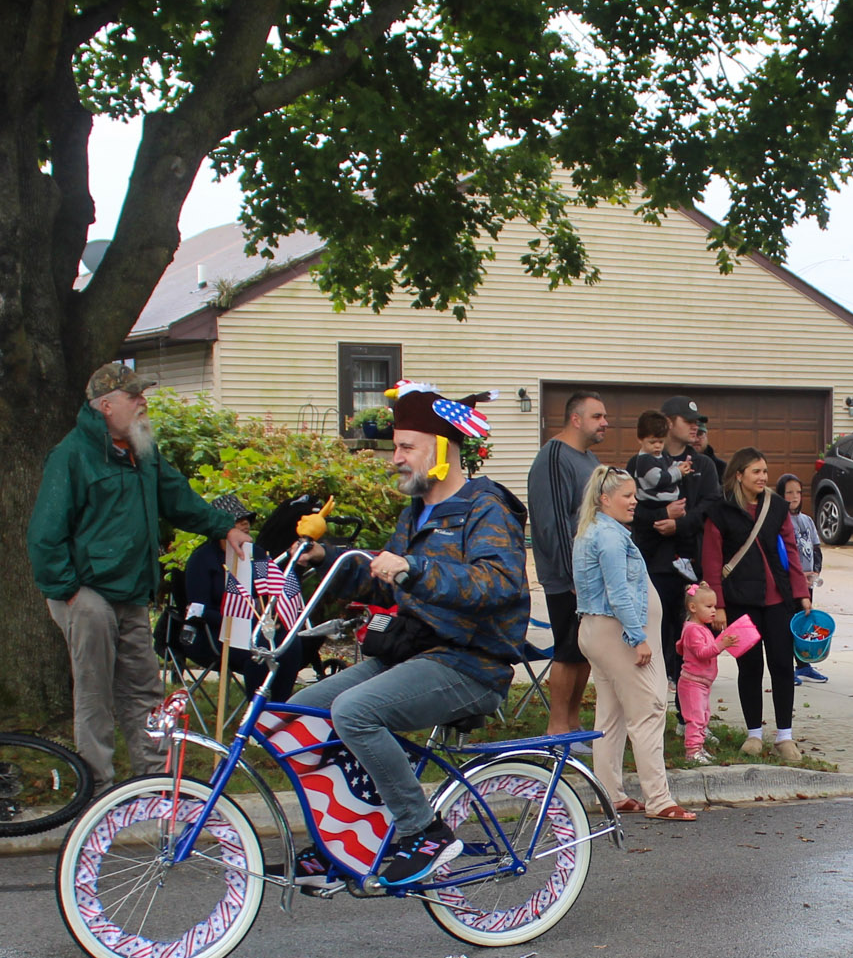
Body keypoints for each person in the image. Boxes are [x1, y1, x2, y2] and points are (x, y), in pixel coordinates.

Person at [290, 382, 528, 885]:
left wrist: (414, 568)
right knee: (305, 711)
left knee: (354, 712)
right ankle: (349, 835)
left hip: (470, 662)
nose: (395, 457)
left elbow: (500, 584)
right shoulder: (416, 512)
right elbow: (386, 580)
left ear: (442, 449)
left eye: (406, 447)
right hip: (415, 652)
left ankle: (423, 830)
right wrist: (327, 559)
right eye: (394, 447)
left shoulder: (486, 507)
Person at [29, 362, 251, 785]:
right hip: (87, 594)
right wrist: (69, 592)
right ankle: (97, 790)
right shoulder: (72, 455)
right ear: (106, 406)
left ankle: (155, 783)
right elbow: (44, 534)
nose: (143, 402)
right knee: (95, 694)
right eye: (134, 396)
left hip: (132, 592)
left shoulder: (142, 450)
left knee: (146, 691)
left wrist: (223, 527)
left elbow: (179, 499)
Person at [573, 465, 686, 819]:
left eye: (634, 495)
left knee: (611, 715)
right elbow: (618, 592)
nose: (634, 502)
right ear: (605, 499)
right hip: (616, 634)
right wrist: (637, 638)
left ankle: (610, 793)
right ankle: (659, 799)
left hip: (596, 632)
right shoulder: (608, 537)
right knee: (648, 710)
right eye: (627, 496)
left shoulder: (595, 531)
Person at [701, 448, 811, 760]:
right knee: (749, 667)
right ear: (739, 475)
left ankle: (785, 736)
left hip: (778, 599)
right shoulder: (719, 510)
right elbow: (712, 560)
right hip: (739, 601)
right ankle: (753, 734)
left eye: (765, 471)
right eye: (756, 472)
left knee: (781, 665)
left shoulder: (776, 506)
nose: (763, 477)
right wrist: (718, 605)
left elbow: (790, 550)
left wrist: (800, 591)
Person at [176, 493, 312, 703]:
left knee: (290, 645)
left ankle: (279, 709)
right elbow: (197, 611)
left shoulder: (256, 553)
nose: (245, 523)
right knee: (259, 651)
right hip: (215, 631)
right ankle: (256, 716)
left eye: (246, 518)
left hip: (256, 625)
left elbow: (270, 593)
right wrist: (240, 622)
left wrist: (270, 616)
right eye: (237, 520)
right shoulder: (202, 560)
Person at [527, 390, 607, 737]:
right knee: (567, 650)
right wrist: (571, 573)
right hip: (568, 577)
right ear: (576, 419)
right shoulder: (554, 457)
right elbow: (552, 520)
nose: (605, 422)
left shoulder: (588, 459)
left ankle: (574, 725)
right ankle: (557, 728)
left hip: (591, 575)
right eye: (597, 416)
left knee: (584, 651)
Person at [628, 401, 710, 689]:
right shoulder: (639, 463)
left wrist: (680, 524)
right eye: (687, 420)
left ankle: (689, 716)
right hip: (653, 563)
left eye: (697, 422)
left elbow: (710, 509)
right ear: (667, 422)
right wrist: (662, 516)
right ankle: (654, 697)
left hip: (691, 566)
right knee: (656, 630)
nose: (694, 426)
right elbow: (631, 511)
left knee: (691, 634)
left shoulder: (702, 464)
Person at [778, 474, 828, 683]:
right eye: (789, 492)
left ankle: (804, 664)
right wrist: (797, 575)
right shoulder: (779, 521)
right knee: (788, 623)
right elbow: (780, 555)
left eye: (798, 492)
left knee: (804, 624)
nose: (794, 496)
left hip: (807, 582)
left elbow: (816, 549)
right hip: (790, 582)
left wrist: (815, 572)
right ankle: (786, 668)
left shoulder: (806, 520)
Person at [675, 584, 733, 764]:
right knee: (695, 718)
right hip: (692, 683)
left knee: (703, 717)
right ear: (693, 608)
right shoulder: (693, 629)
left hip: (702, 682)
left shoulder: (700, 628)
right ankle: (692, 752)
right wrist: (721, 645)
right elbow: (702, 653)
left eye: (714, 606)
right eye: (708, 607)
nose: (714, 611)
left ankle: (699, 748)